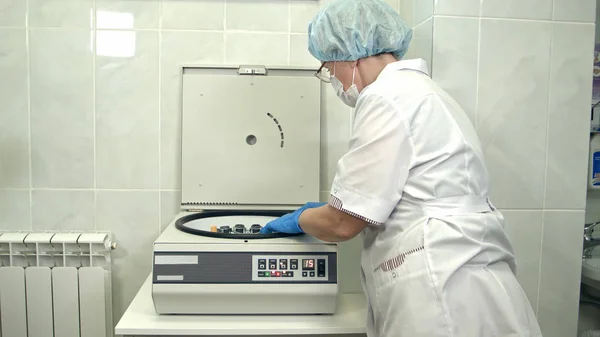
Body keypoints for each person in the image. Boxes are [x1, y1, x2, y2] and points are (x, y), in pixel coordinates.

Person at [260, 0, 543, 335]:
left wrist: (300, 220)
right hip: (480, 288)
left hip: (440, 291)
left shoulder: (385, 97)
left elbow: (342, 223)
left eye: (326, 67)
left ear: (346, 54)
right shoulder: (428, 93)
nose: (331, 78)